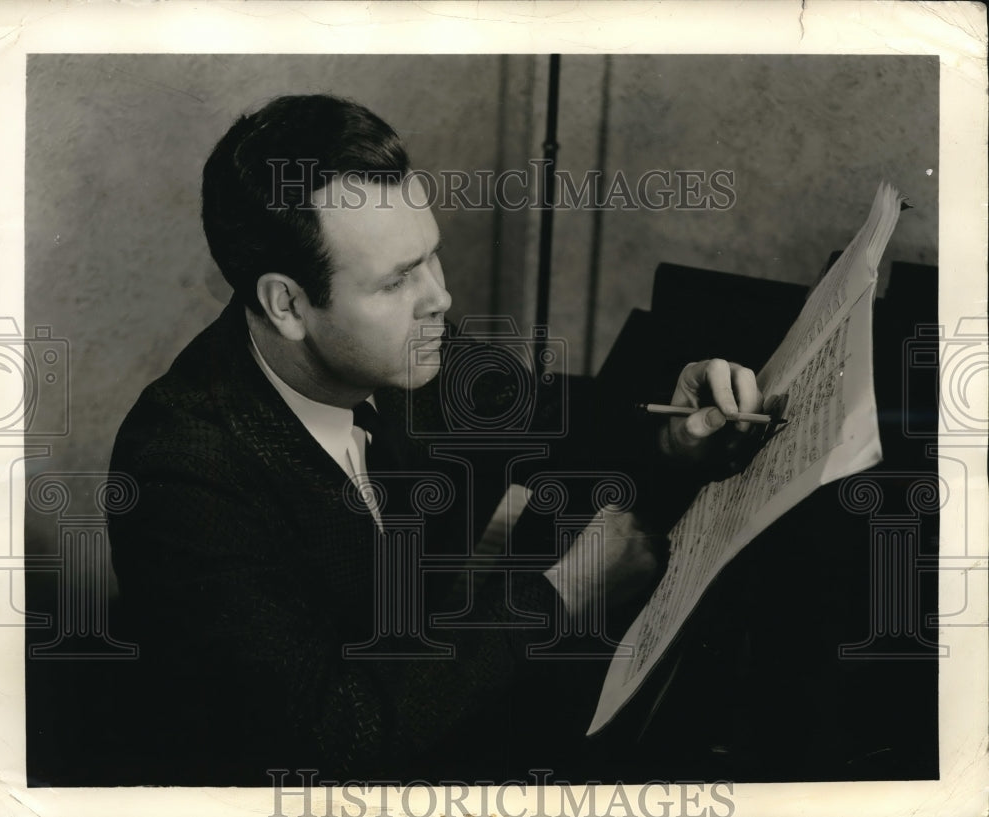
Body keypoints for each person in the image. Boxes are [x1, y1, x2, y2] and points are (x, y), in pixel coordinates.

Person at [107, 94, 762, 785]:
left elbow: (536, 415)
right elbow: (334, 735)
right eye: (396, 281)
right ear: (288, 304)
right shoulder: (182, 472)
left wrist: (669, 429)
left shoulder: (397, 347)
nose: (439, 298)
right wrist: (564, 594)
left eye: (430, 257)